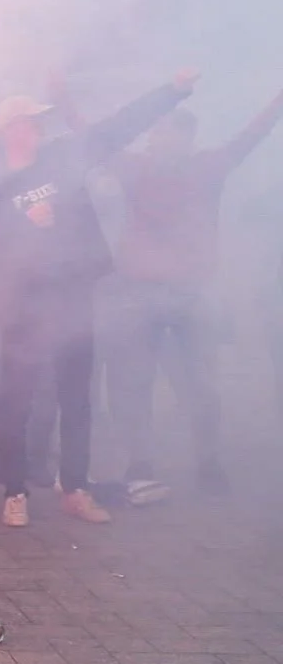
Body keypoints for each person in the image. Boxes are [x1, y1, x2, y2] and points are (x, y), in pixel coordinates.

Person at [0, 72, 195, 528]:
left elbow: (117, 128)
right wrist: (22, 225)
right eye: (27, 122)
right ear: (8, 130)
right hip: (22, 307)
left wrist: (171, 92)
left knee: (77, 398)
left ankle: (74, 488)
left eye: (38, 121)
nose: (36, 129)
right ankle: (15, 492)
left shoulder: (61, 159)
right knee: (16, 401)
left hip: (72, 299)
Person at [104, 85, 282, 500]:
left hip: (191, 293)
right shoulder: (135, 167)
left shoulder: (208, 166)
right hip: (140, 292)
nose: (158, 140)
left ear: (187, 139)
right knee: (134, 383)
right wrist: (63, 100)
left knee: (201, 384)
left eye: (168, 133)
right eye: (156, 133)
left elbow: (250, 136)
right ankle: (140, 464)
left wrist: (277, 102)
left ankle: (208, 462)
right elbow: (98, 141)